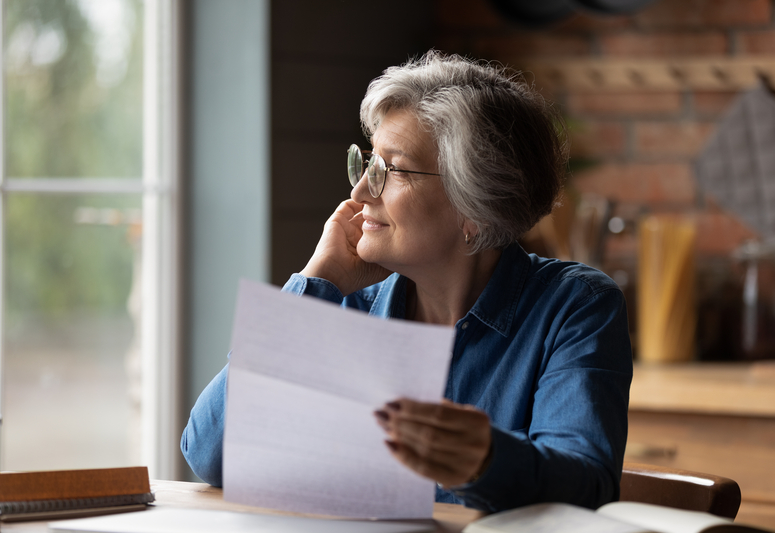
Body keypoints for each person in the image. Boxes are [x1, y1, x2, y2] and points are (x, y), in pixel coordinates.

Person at [181, 50, 632, 514]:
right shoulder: (342, 306)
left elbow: (587, 485)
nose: (359, 193)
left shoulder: (574, 305)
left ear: (474, 207)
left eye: (390, 171)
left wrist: (484, 461)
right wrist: (315, 282)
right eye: (367, 163)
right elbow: (211, 455)